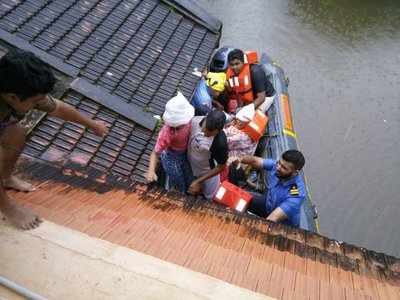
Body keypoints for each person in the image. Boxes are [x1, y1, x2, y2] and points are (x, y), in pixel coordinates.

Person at [0, 49, 108, 230]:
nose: (38, 104)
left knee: (16, 133)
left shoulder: (19, 88)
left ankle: (5, 177)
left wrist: (92, 124)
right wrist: (9, 208)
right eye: (35, 102)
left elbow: (57, 108)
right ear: (12, 97)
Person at [237, 150, 306, 227]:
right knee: (240, 197)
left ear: (295, 173)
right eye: (279, 163)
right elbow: (254, 161)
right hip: (268, 205)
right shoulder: (277, 166)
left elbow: (273, 218)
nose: (278, 168)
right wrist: (240, 159)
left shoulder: (296, 193)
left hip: (282, 224)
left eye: (284, 168)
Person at [146, 92, 194, 192]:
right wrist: (151, 171)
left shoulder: (189, 120)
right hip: (172, 157)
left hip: (185, 153)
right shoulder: (167, 132)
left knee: (190, 179)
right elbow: (155, 153)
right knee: (179, 183)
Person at [187, 110, 228, 200]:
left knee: (209, 198)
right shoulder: (194, 120)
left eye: (210, 132)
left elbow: (221, 167)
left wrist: (199, 181)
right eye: (205, 127)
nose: (205, 133)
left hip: (207, 173)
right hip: (190, 165)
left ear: (219, 130)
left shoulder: (220, 143)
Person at [225, 48, 275, 114]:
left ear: (243, 62)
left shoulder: (256, 72)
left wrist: (247, 109)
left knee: (253, 116)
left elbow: (261, 97)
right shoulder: (231, 73)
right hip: (251, 96)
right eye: (232, 65)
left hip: (266, 96)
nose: (234, 67)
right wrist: (240, 106)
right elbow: (237, 91)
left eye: (237, 64)